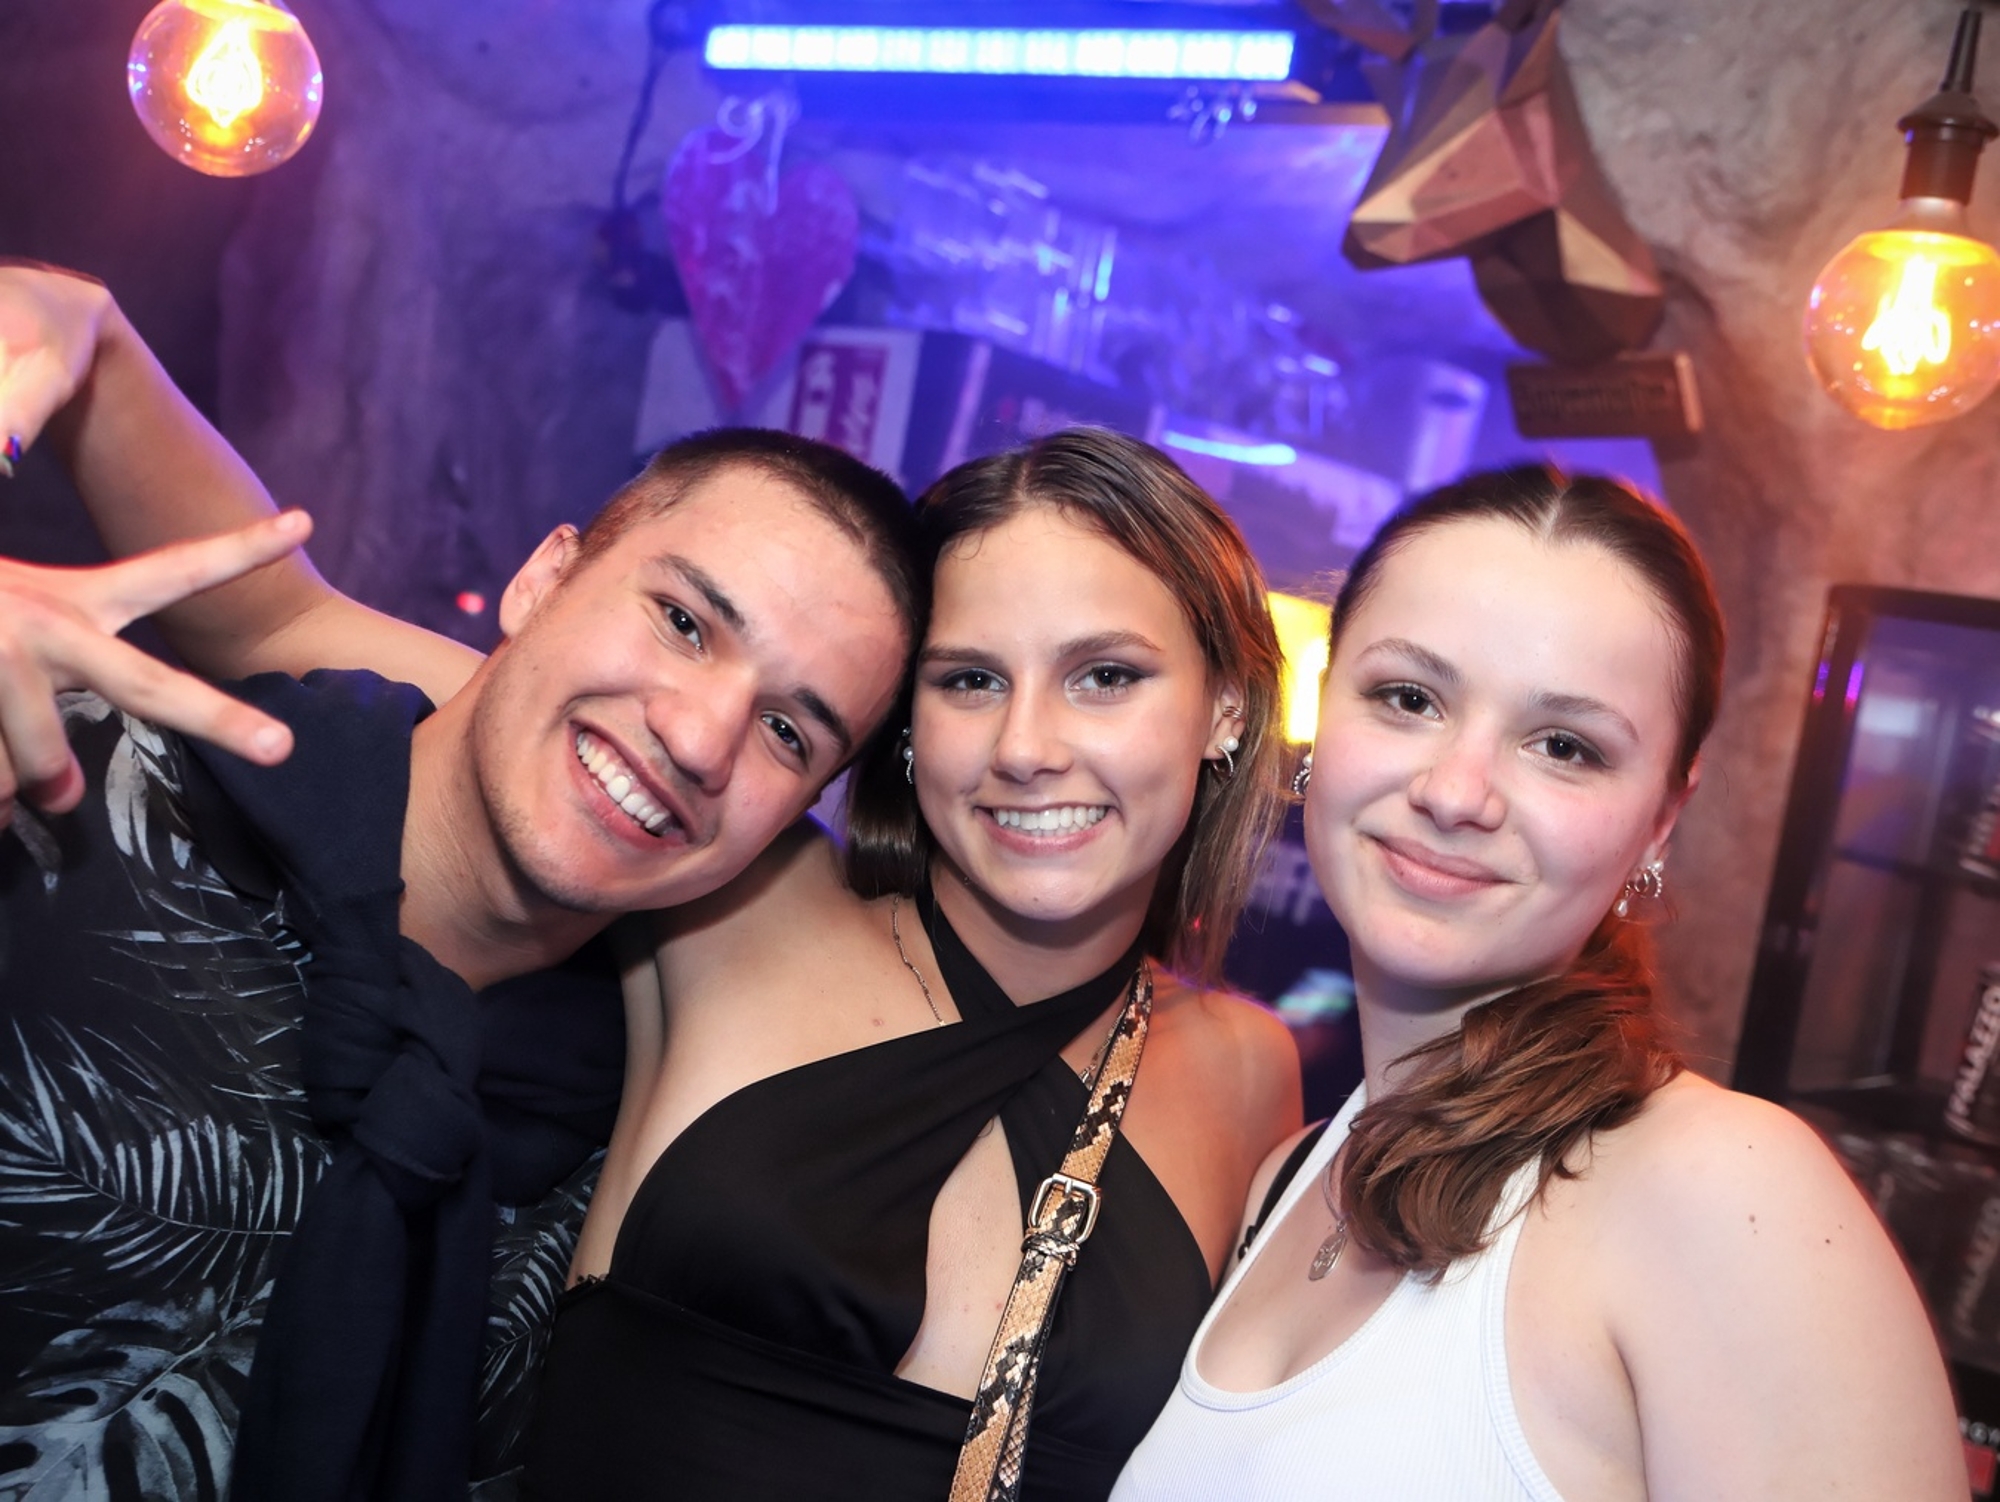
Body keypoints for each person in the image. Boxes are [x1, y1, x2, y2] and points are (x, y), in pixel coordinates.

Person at [0, 266, 921, 1499]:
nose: (701, 737)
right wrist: (76, 325)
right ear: (541, 579)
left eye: (787, 732)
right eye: (683, 621)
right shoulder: (82, 804)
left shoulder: (631, 1183)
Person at [1110, 466, 1965, 1501]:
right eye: (1408, 697)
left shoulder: (1722, 1192)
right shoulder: (1289, 1178)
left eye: (1564, 746)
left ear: (1661, 819)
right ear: (1321, 713)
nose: (1455, 791)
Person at [518, 428, 1303, 1501]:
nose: (1024, 747)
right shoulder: (739, 901)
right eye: (970, 679)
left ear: (1226, 709)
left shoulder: (1245, 1073)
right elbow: (439, 691)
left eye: (1104, 676)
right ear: (904, 721)